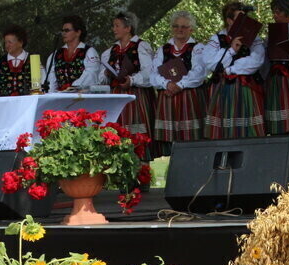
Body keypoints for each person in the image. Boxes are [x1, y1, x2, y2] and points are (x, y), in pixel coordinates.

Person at [203, 2, 266, 139]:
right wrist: (231, 50)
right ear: (229, 20)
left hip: (247, 87)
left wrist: (231, 68)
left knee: (249, 132)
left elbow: (256, 60)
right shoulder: (217, 39)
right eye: (239, 18)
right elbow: (211, 63)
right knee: (223, 133)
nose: (243, 22)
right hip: (222, 89)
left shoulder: (253, 38)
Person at [98, 12, 156, 156]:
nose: (114, 29)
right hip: (116, 96)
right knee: (117, 134)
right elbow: (100, 77)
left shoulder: (141, 46)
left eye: (117, 26)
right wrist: (106, 73)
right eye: (114, 26)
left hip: (135, 97)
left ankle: (141, 167)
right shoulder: (110, 51)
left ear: (128, 28)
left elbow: (149, 73)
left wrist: (132, 80)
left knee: (137, 136)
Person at [150, 11, 208, 149]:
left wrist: (180, 84)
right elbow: (153, 74)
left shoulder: (197, 48)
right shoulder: (163, 49)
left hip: (190, 97)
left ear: (191, 29)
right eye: (176, 26)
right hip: (168, 96)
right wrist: (167, 84)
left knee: (192, 138)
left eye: (184, 26)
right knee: (172, 141)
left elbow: (199, 72)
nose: (179, 29)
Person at [263, 0, 289, 136]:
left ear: (287, 11)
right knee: (277, 124)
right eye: (273, 12)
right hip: (275, 80)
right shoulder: (271, 34)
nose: (275, 15)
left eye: (278, 12)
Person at [43, 16, 101, 92]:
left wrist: (72, 88)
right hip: (61, 98)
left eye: (67, 30)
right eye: (62, 30)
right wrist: (52, 96)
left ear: (78, 32)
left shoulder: (89, 52)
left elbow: (91, 75)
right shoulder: (55, 54)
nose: (63, 33)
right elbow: (51, 80)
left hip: (83, 98)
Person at [0, 25, 38, 96]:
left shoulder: (33, 60)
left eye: (10, 42)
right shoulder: (0, 62)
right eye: (5, 42)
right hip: (6, 104)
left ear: (21, 43)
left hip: (28, 103)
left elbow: (41, 85)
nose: (7, 45)